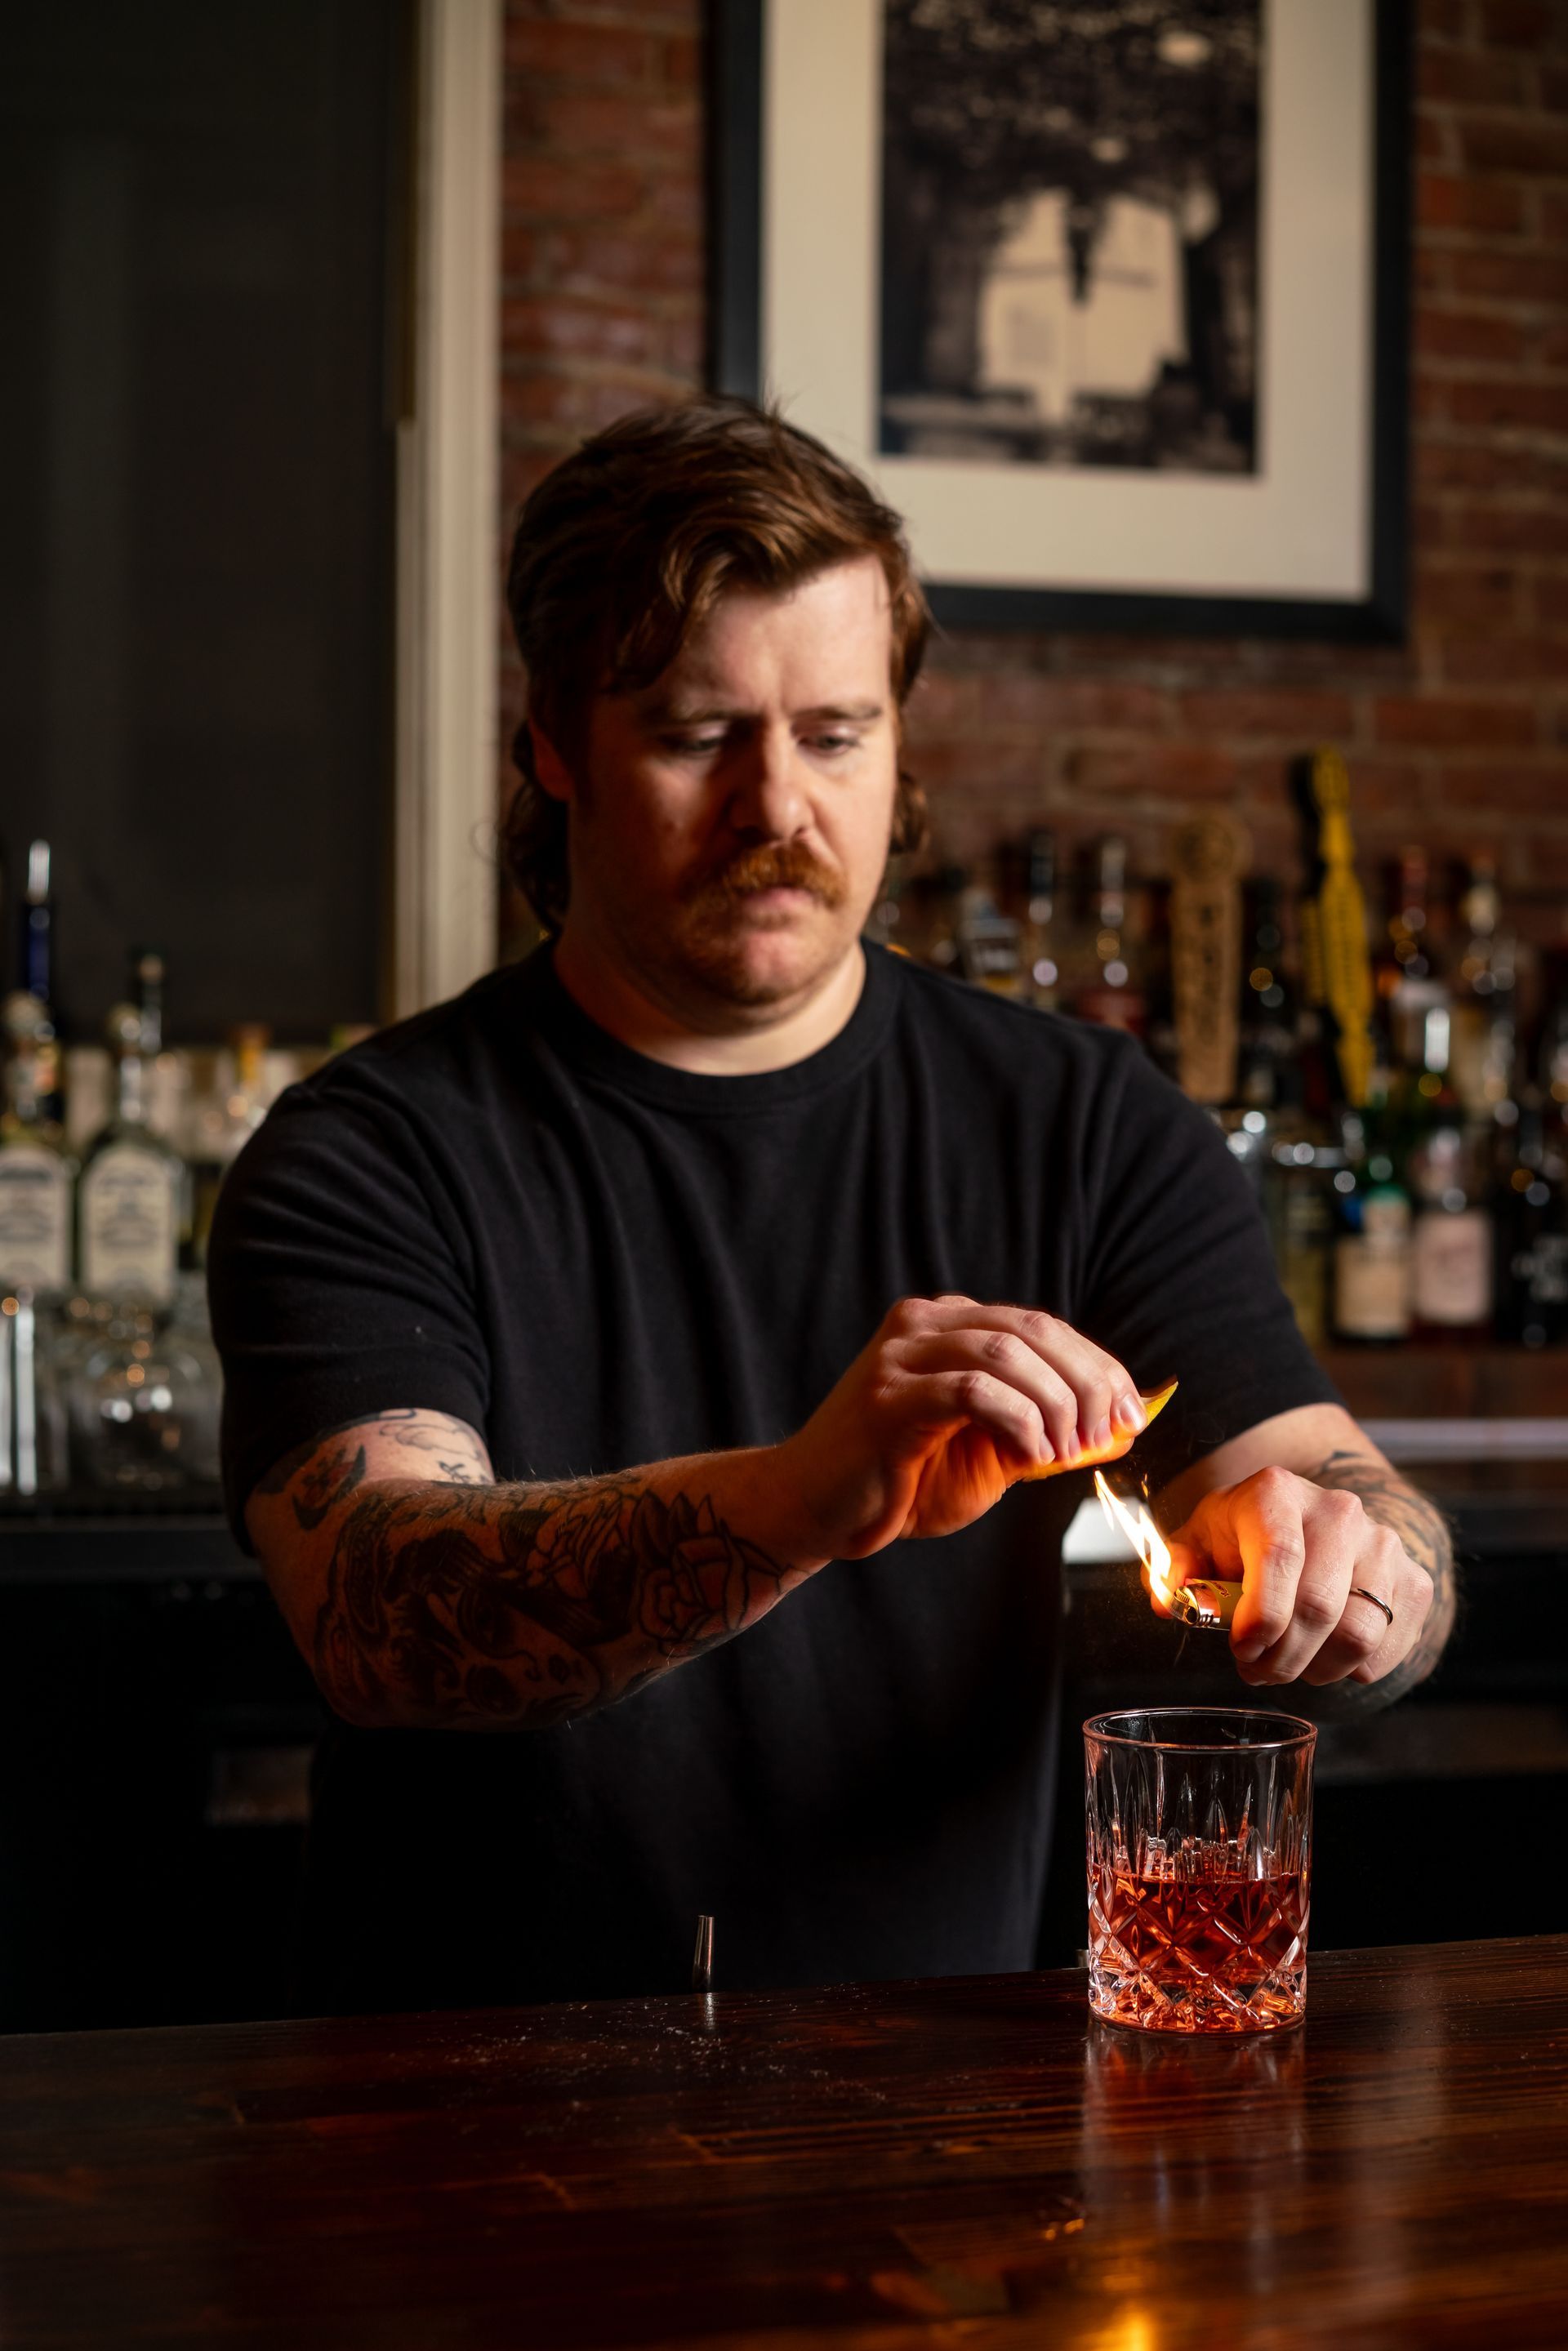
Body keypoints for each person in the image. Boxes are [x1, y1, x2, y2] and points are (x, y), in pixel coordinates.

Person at [210, 398, 1454, 2015]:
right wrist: (806, 1496)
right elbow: (383, 1610)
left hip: (946, 2133)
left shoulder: (1079, 1120)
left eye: (836, 733)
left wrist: (1362, 1577)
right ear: (550, 745)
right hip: (466, 2141)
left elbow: (1331, 1489)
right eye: (695, 733)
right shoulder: (372, 1151)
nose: (778, 810)